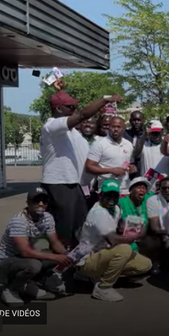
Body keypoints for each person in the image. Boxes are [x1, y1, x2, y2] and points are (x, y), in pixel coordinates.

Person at [40, 80, 122, 247]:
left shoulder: (72, 133)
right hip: (59, 184)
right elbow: (84, 114)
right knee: (65, 230)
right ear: (58, 109)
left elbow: (92, 124)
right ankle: (58, 269)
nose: (74, 110)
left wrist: (61, 91)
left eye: (74, 106)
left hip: (74, 185)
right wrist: (106, 99)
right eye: (70, 107)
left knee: (81, 229)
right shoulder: (52, 126)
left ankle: (78, 264)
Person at [76, 180, 153, 302]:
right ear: (100, 195)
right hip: (88, 258)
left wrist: (128, 227)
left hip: (105, 252)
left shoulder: (116, 208)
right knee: (124, 249)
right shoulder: (98, 213)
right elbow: (114, 240)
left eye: (114, 195)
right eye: (108, 194)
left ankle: (100, 274)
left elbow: (121, 225)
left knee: (145, 264)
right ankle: (103, 287)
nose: (111, 198)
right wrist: (138, 234)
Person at [0, 188, 70, 304]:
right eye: (36, 200)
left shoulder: (47, 217)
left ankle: (37, 282)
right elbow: (25, 252)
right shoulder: (19, 221)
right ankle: (11, 289)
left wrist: (68, 255)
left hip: (23, 259)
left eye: (44, 201)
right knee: (35, 265)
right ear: (28, 202)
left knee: (59, 257)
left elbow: (55, 243)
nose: (41, 204)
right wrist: (56, 257)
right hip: (4, 262)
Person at [85, 116, 136, 196]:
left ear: (124, 128)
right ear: (109, 127)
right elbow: (89, 167)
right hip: (107, 190)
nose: (116, 129)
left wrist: (132, 168)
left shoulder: (128, 144)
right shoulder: (99, 144)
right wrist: (112, 170)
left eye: (119, 127)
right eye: (113, 126)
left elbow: (130, 163)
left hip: (125, 189)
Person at [143, 177, 169, 275]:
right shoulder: (153, 201)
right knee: (154, 235)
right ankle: (156, 263)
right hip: (160, 234)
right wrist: (166, 237)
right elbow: (155, 225)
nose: (167, 191)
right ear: (160, 188)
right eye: (164, 188)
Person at [117, 177, 155, 253]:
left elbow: (161, 202)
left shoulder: (148, 199)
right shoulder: (121, 202)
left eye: (144, 188)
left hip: (145, 239)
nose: (142, 190)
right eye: (139, 187)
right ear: (131, 190)